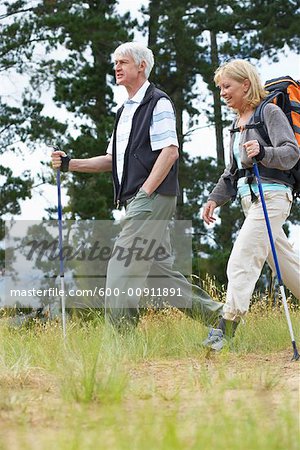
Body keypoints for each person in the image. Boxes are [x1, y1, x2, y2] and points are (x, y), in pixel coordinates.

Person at [51, 41, 223, 330]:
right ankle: (221, 318)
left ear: (141, 66)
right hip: (137, 199)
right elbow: (111, 159)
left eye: (123, 62)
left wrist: (145, 192)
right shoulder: (125, 111)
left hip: (150, 197)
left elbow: (170, 151)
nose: (116, 67)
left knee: (121, 266)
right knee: (158, 275)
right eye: (115, 62)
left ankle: (120, 344)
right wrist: (70, 163)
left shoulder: (159, 102)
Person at [202, 59, 300, 351]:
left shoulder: (268, 112)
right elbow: (232, 172)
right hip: (250, 201)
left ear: (246, 84)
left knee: (242, 258)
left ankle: (225, 329)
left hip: (272, 197)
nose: (222, 93)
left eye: (227, 86)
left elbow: (291, 153)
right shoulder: (236, 124)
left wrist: (263, 151)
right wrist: (214, 199)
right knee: (287, 266)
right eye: (220, 88)